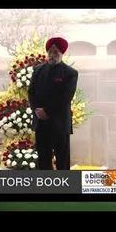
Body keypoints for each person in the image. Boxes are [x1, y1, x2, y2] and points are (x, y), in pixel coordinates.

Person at [28, 37, 78, 170]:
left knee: (62, 160)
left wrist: (47, 111)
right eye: (50, 51)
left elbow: (65, 98)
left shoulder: (70, 73)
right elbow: (31, 93)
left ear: (62, 53)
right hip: (41, 123)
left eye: (55, 52)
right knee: (43, 160)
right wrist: (37, 110)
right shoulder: (38, 70)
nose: (52, 55)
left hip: (59, 123)